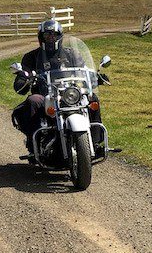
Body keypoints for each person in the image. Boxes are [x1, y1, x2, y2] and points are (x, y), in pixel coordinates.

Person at [11, 19, 103, 153]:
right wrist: (24, 79)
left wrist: (95, 76)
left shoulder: (71, 54)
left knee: (92, 98)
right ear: (40, 37)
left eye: (54, 34)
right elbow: (24, 75)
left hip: (70, 94)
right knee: (33, 101)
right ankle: (35, 142)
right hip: (45, 96)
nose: (50, 38)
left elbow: (84, 69)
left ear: (60, 36)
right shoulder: (31, 57)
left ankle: (95, 142)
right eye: (47, 35)